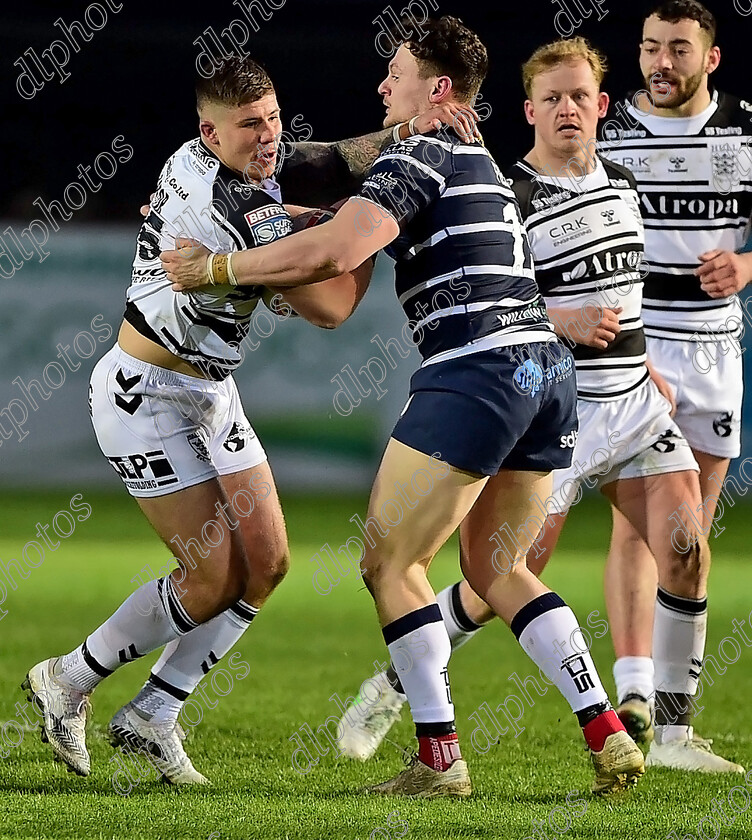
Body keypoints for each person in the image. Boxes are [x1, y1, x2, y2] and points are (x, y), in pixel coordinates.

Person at [164, 16, 644, 798]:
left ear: (439, 89)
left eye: (396, 74)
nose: (383, 88)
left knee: (389, 563)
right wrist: (292, 229)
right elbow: (340, 251)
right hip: (545, 375)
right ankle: (606, 730)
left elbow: (340, 252)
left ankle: (438, 760)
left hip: (476, 372)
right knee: (498, 568)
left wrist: (219, 265)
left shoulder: (422, 147)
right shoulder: (475, 154)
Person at [22, 55, 462, 785]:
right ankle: (67, 679)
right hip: (147, 393)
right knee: (212, 575)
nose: (268, 137)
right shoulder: (234, 203)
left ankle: (154, 714)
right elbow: (333, 309)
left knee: (269, 563)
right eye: (250, 125)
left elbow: (320, 160)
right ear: (210, 132)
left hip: (210, 390)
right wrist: (364, 234)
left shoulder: (206, 159)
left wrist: (404, 134)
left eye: (273, 117)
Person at [334, 34, 745, 777]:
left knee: (686, 548)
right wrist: (567, 322)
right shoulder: (507, 187)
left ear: (602, 106)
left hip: (632, 403)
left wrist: (645, 357)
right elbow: (501, 293)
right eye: (551, 97)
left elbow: (623, 286)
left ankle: (675, 737)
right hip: (552, 398)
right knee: (503, 572)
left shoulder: (622, 183)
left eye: (579, 96)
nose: (566, 109)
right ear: (527, 109)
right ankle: (395, 683)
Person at [597, 0, 752, 770]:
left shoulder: (744, 129)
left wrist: (749, 265)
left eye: (678, 50)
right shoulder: (609, 130)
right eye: (652, 48)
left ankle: (673, 726)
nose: (661, 63)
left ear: (710, 60)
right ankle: (633, 694)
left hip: (717, 347)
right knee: (640, 527)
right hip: (640, 344)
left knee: (690, 541)